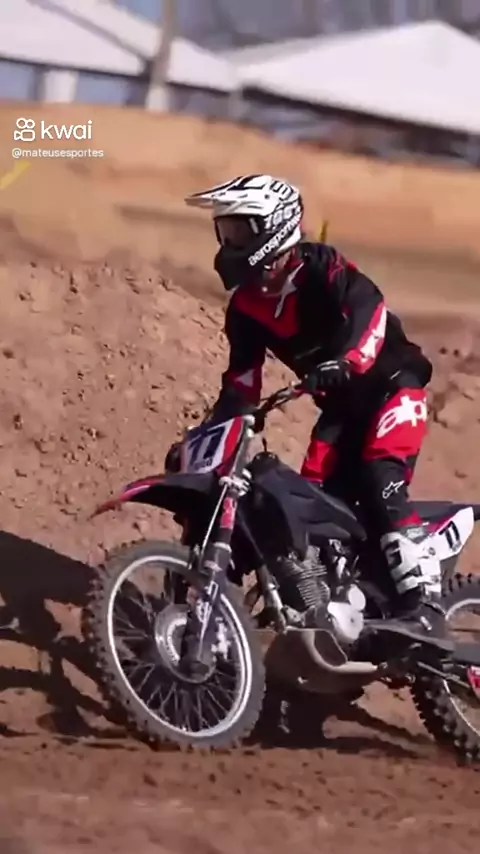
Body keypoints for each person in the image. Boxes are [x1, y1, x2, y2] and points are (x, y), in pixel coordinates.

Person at [184, 173, 437, 623]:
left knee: (381, 475)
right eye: (225, 231)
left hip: (393, 386)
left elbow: (370, 309)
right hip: (340, 410)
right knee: (310, 504)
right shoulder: (245, 306)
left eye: (239, 230)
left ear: (274, 227)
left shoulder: (321, 266)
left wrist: (349, 360)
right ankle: (327, 601)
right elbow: (241, 383)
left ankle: (424, 605)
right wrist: (211, 436)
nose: (229, 242)